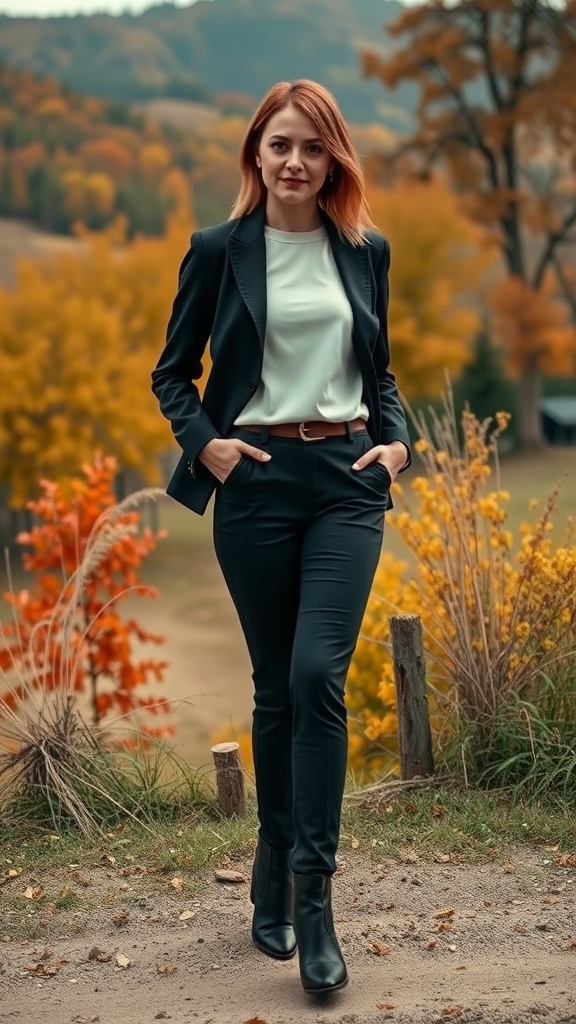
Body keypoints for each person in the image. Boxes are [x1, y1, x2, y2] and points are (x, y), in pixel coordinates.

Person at [151, 79, 410, 995]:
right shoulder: (218, 251)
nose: (295, 161)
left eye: (312, 146)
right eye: (279, 146)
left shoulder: (365, 250)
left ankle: (315, 898)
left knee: (314, 678)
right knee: (274, 689)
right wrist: (208, 446)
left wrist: (396, 444)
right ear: (256, 157)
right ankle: (272, 853)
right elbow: (172, 373)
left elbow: (380, 370)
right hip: (255, 482)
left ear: (333, 159)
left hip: (345, 480)